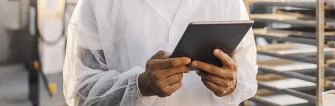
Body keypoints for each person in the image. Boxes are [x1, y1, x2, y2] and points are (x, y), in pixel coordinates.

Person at [62, 0, 258, 105]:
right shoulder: (98, 3)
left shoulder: (228, 2)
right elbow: (82, 93)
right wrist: (140, 85)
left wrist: (232, 83)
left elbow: (248, 73)